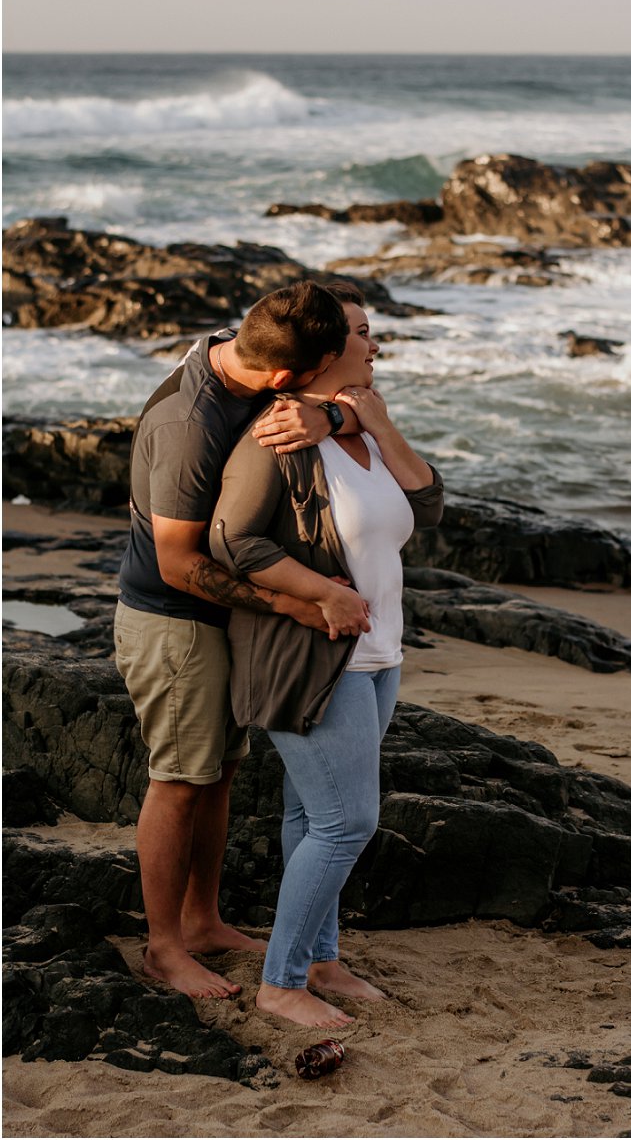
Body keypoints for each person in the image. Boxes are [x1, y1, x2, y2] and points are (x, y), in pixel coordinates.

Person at [115, 280, 371, 1001]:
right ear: (286, 373)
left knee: (218, 773)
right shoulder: (187, 422)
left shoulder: (254, 370)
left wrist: (326, 415)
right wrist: (290, 603)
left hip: (221, 622)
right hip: (173, 622)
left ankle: (202, 921)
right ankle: (164, 948)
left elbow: (352, 400)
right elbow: (178, 563)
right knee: (178, 780)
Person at [210, 283, 444, 1028]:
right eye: (362, 333)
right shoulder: (277, 436)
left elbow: (428, 506)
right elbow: (231, 541)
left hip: (379, 654)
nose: (374, 344)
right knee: (347, 822)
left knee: (311, 816)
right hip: (312, 654)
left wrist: (369, 416)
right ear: (324, 351)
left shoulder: (358, 425)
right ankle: (280, 982)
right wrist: (322, 593)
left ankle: (319, 958)